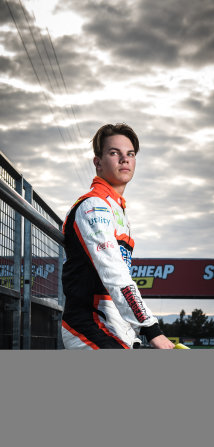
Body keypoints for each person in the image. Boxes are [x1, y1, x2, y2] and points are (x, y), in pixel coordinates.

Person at [61, 123, 175, 349]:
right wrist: (151, 329)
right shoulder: (93, 206)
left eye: (130, 154)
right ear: (98, 163)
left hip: (116, 328)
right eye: (115, 153)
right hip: (88, 326)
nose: (125, 159)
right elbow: (114, 271)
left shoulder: (118, 210)